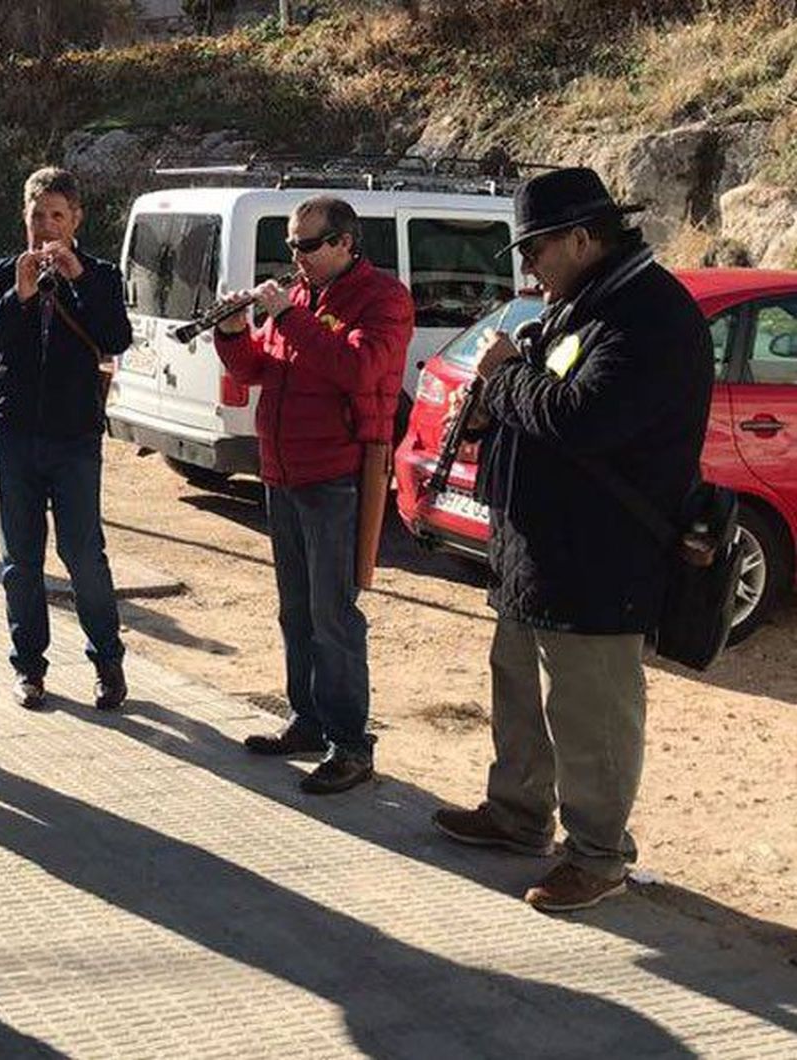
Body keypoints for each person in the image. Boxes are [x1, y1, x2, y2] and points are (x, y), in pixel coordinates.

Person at [431, 167, 712, 913]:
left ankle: (598, 854)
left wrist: (504, 381)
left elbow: (583, 417)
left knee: (591, 712)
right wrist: (494, 410)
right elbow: (539, 403)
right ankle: (519, 814)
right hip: (536, 546)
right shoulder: (582, 304)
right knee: (520, 686)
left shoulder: (648, 316)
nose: (527, 268)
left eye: (535, 250)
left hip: (601, 555)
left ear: (584, 239)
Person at [213, 196, 414, 794]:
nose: (294, 257)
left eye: (306, 245)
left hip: (337, 477)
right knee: (295, 610)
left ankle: (351, 744)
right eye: (291, 245)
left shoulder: (384, 300)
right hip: (283, 472)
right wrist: (233, 332)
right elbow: (259, 373)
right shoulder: (297, 296)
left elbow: (359, 370)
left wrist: (288, 318)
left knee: (334, 615)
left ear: (345, 243)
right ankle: (306, 718)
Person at [0, 166, 132, 711]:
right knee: (20, 559)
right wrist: (17, 295)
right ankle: (29, 668)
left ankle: (107, 662)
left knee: (84, 553)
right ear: (25, 217)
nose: (44, 228)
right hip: (14, 431)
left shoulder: (102, 275)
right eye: (36, 216)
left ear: (76, 218)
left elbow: (116, 337)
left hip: (74, 436)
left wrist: (78, 277)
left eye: (56, 216)